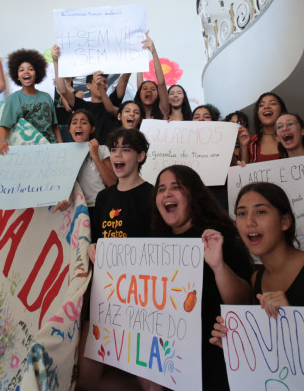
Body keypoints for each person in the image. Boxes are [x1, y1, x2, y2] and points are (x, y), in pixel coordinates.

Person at [211, 182, 304, 342]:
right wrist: (237, 344)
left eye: (261, 212)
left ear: (285, 222)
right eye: (242, 214)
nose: (249, 222)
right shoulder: (257, 279)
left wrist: (293, 318)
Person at [152, 165, 253, 391]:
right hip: (172, 364)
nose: (167, 194)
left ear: (194, 194)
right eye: (161, 189)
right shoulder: (155, 243)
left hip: (216, 361)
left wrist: (218, 267)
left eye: (176, 187)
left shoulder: (219, 236)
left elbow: (243, 302)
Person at [78, 128, 157, 391]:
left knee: (151, 381)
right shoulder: (103, 197)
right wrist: (93, 250)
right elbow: (99, 240)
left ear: (141, 156)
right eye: (113, 149)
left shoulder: (152, 195)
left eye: (125, 149)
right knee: (87, 379)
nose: (117, 155)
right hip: (107, 296)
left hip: (141, 301)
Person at [53, 45, 130, 144]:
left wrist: (131, 62)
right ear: (88, 86)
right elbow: (63, 90)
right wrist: (56, 61)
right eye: (98, 82)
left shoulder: (112, 102)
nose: (101, 84)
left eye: (104, 82)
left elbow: (124, 80)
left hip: (110, 152)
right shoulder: (82, 106)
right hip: (86, 151)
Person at [54, 110, 116, 215]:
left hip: (103, 206)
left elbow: (112, 183)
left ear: (92, 129)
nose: (78, 125)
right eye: (74, 123)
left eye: (84, 122)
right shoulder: (66, 155)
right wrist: (66, 201)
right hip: (79, 208)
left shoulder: (102, 149)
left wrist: (95, 156)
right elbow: (67, 184)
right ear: (69, 129)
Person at [0, 49, 61, 150]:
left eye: (30, 69)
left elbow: (55, 127)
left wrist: (61, 146)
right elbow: (4, 126)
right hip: (27, 150)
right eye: (21, 70)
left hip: (50, 147)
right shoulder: (13, 99)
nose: (26, 72)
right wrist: (3, 141)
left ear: (37, 74)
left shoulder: (47, 97)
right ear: (17, 76)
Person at [135, 31, 169, 120]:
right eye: (145, 89)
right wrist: (140, 56)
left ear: (158, 94)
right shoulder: (135, 117)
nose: (148, 91)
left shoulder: (163, 111)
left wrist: (153, 51)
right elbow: (140, 87)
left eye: (153, 89)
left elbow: (161, 83)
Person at [248, 92, 287, 163]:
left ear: (281, 110)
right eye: (261, 105)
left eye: (273, 103)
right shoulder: (250, 143)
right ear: (258, 114)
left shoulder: (293, 138)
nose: (266, 107)